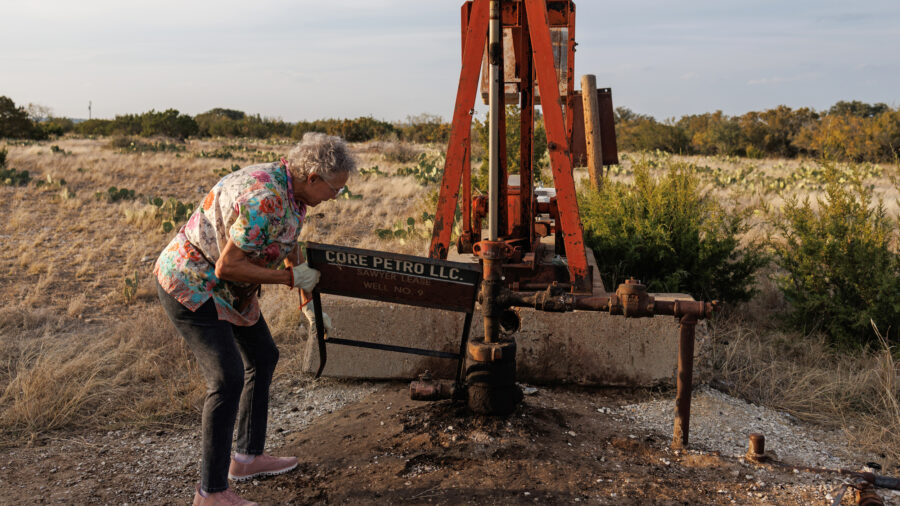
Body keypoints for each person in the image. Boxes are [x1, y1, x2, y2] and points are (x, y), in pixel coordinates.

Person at [155, 133, 354, 505]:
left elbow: (288, 238)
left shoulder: (294, 192)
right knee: (227, 378)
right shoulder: (266, 198)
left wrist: (308, 302)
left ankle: (247, 458)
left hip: (229, 290)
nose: (336, 197)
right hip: (193, 283)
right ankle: (210, 494)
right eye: (335, 189)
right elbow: (227, 265)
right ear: (312, 177)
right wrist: (288, 278)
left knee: (263, 357)